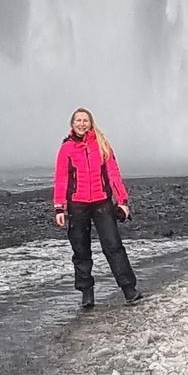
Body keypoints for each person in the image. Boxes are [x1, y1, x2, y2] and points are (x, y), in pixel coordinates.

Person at [53, 108, 143, 309]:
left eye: (85, 120)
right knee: (81, 249)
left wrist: (122, 201)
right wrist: (59, 208)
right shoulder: (66, 148)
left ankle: (129, 290)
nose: (82, 124)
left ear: (91, 123)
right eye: (78, 120)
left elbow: (113, 174)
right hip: (77, 205)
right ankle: (86, 292)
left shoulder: (101, 144)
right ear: (72, 124)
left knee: (113, 246)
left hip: (102, 202)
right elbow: (61, 179)